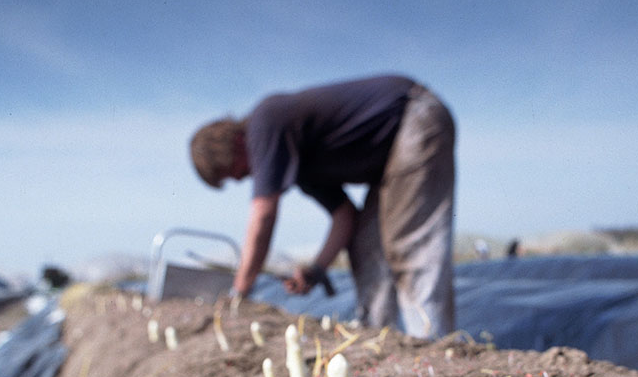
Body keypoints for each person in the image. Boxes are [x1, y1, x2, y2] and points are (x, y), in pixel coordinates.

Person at [190, 74, 456, 339]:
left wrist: (240, 293)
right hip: (387, 161)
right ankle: (379, 339)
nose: (239, 179)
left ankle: (433, 345)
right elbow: (345, 216)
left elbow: (264, 214)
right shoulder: (303, 170)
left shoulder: (264, 120)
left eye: (230, 173)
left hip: (413, 117)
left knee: (411, 244)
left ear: (233, 145)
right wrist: (316, 270)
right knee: (365, 246)